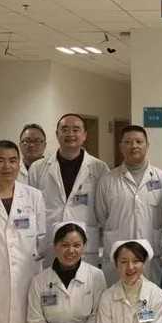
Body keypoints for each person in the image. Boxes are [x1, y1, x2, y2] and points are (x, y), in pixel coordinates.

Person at [29, 113, 109, 266]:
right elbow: (31, 209)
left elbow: (104, 211)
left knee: (84, 280)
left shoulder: (100, 168)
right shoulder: (38, 168)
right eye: (65, 129)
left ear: (84, 135)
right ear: (57, 134)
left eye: (76, 130)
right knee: (50, 281)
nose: (70, 134)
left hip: (85, 246)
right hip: (50, 245)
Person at [96, 125, 162, 285]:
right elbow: (101, 217)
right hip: (117, 256)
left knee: (149, 298)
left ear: (147, 145)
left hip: (149, 255)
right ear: (121, 146)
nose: (134, 146)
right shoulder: (107, 180)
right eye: (128, 142)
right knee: (116, 298)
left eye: (138, 141)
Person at [28, 221, 107, 323]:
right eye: (65, 245)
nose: (71, 251)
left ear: (84, 247)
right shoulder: (39, 281)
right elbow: (36, 322)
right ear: (55, 246)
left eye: (77, 245)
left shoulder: (96, 276)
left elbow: (98, 317)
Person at [0, 140, 46, 323]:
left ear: (19, 164)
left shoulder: (33, 196)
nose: (6, 166)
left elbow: (41, 240)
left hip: (26, 278)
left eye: (12, 160)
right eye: (0, 161)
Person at [97, 239, 162, 323]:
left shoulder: (157, 295)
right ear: (116, 265)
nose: (130, 267)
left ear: (143, 263)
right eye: (124, 261)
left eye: (136, 261)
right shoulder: (107, 297)